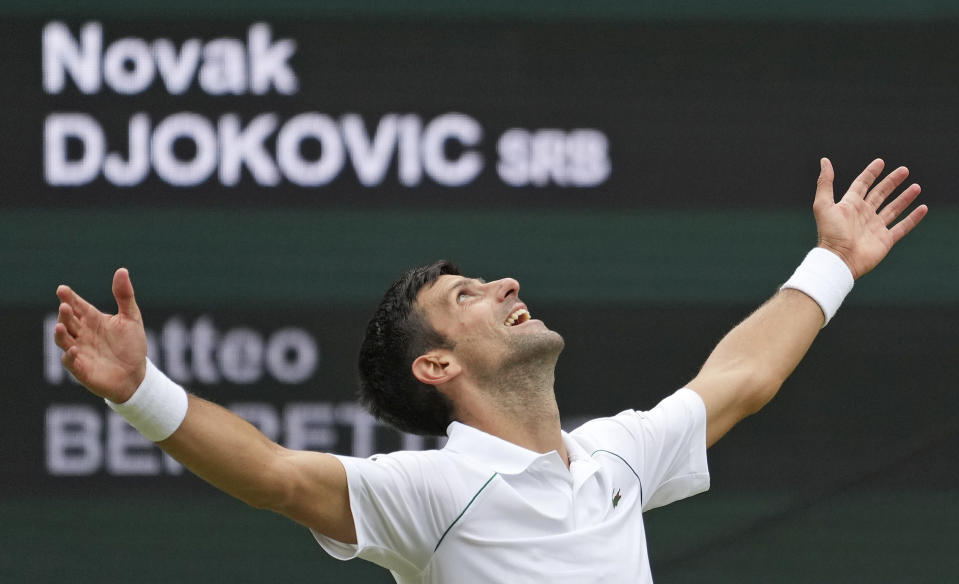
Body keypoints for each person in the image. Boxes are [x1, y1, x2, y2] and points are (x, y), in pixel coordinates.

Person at [53, 158, 926, 583]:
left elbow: (741, 379)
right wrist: (139, 391)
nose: (508, 284)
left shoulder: (616, 459)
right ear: (434, 363)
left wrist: (833, 264)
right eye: (468, 294)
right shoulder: (433, 494)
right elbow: (277, 477)